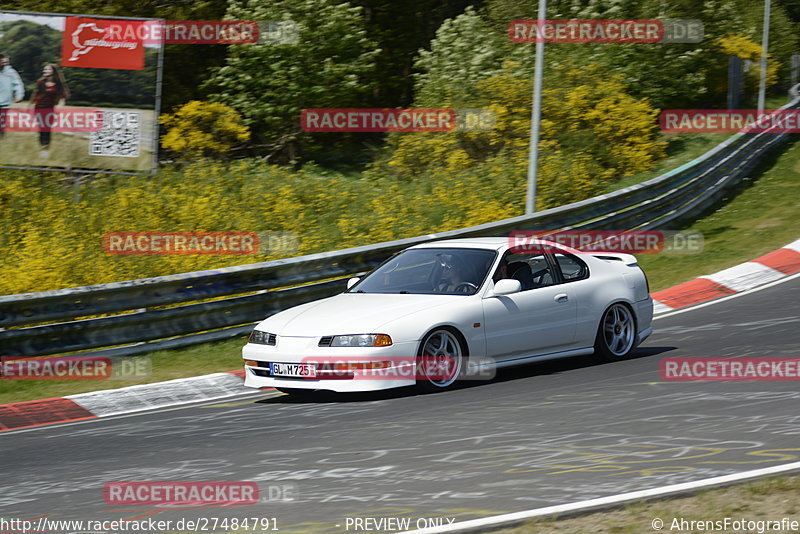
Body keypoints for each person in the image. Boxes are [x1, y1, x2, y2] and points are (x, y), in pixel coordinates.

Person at [30, 63, 69, 158]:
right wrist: (30, 106)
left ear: (53, 71)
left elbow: (63, 96)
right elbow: (35, 95)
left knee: (47, 129)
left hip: (50, 109)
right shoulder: (40, 82)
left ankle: (46, 149)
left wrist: (60, 105)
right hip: (39, 108)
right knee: (41, 129)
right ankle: (42, 148)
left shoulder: (58, 84)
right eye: (45, 69)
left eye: (48, 69)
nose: (45, 71)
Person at [0, 53, 25, 139]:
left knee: (2, 122)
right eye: (3, 62)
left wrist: (19, 96)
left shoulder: (11, 72)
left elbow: (18, 84)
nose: (5, 64)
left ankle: (1, 138)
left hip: (5, 102)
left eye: (6, 62)